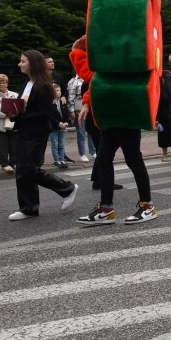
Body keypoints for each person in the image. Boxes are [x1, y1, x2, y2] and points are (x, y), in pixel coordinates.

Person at [68, 36, 157, 226]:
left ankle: (147, 206)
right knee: (103, 159)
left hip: (124, 116)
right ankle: (107, 209)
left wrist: (77, 50)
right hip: (112, 116)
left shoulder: (125, 61)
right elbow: (98, 83)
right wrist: (86, 102)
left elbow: (93, 76)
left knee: (133, 159)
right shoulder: (117, 60)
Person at [7, 50, 78, 220]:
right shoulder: (26, 85)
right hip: (24, 130)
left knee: (30, 169)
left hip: (37, 133)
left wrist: (22, 114)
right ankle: (28, 208)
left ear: (32, 63)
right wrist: (14, 113)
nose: (19, 64)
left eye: (23, 61)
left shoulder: (44, 86)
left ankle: (67, 188)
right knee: (22, 170)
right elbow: (25, 108)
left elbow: (45, 113)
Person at [67, 72, 94, 162]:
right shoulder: (73, 81)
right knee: (81, 132)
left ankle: (93, 151)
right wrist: (71, 111)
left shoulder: (89, 78)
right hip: (79, 107)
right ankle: (82, 153)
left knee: (91, 130)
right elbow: (71, 98)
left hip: (90, 107)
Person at [48, 83, 70, 169]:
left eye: (60, 90)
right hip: (54, 127)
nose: (59, 92)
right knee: (55, 144)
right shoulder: (49, 103)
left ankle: (62, 159)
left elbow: (66, 113)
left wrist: (66, 123)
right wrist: (58, 123)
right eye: (57, 91)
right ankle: (56, 160)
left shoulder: (62, 101)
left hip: (63, 127)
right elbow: (50, 116)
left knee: (61, 145)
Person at [156, 70, 171, 161]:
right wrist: (156, 120)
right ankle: (164, 155)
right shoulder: (159, 88)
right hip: (162, 115)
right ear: (163, 78)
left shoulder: (170, 87)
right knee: (164, 135)